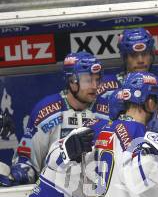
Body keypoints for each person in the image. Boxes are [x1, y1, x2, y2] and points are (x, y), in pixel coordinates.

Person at [2, 52, 108, 187]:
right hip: (58, 196)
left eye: (97, 79)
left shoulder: (108, 110)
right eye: (88, 80)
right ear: (72, 81)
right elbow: (28, 160)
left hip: (98, 194)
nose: (94, 86)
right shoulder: (46, 111)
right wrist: (18, 174)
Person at [97, 28, 158, 99]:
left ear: (151, 55)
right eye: (134, 55)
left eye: (144, 54)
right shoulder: (106, 88)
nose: (140, 60)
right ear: (124, 58)